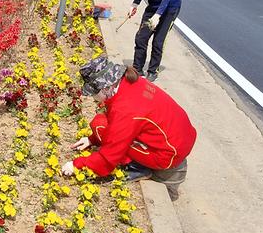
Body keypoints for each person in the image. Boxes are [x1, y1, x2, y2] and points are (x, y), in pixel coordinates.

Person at [61, 56, 197, 198]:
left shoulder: (126, 110)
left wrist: (76, 164)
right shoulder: (130, 82)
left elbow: (108, 157)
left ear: (106, 88)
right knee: (102, 125)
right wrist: (91, 140)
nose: (93, 98)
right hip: (179, 138)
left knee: (101, 127)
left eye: (93, 94)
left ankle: (138, 167)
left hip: (167, 153)